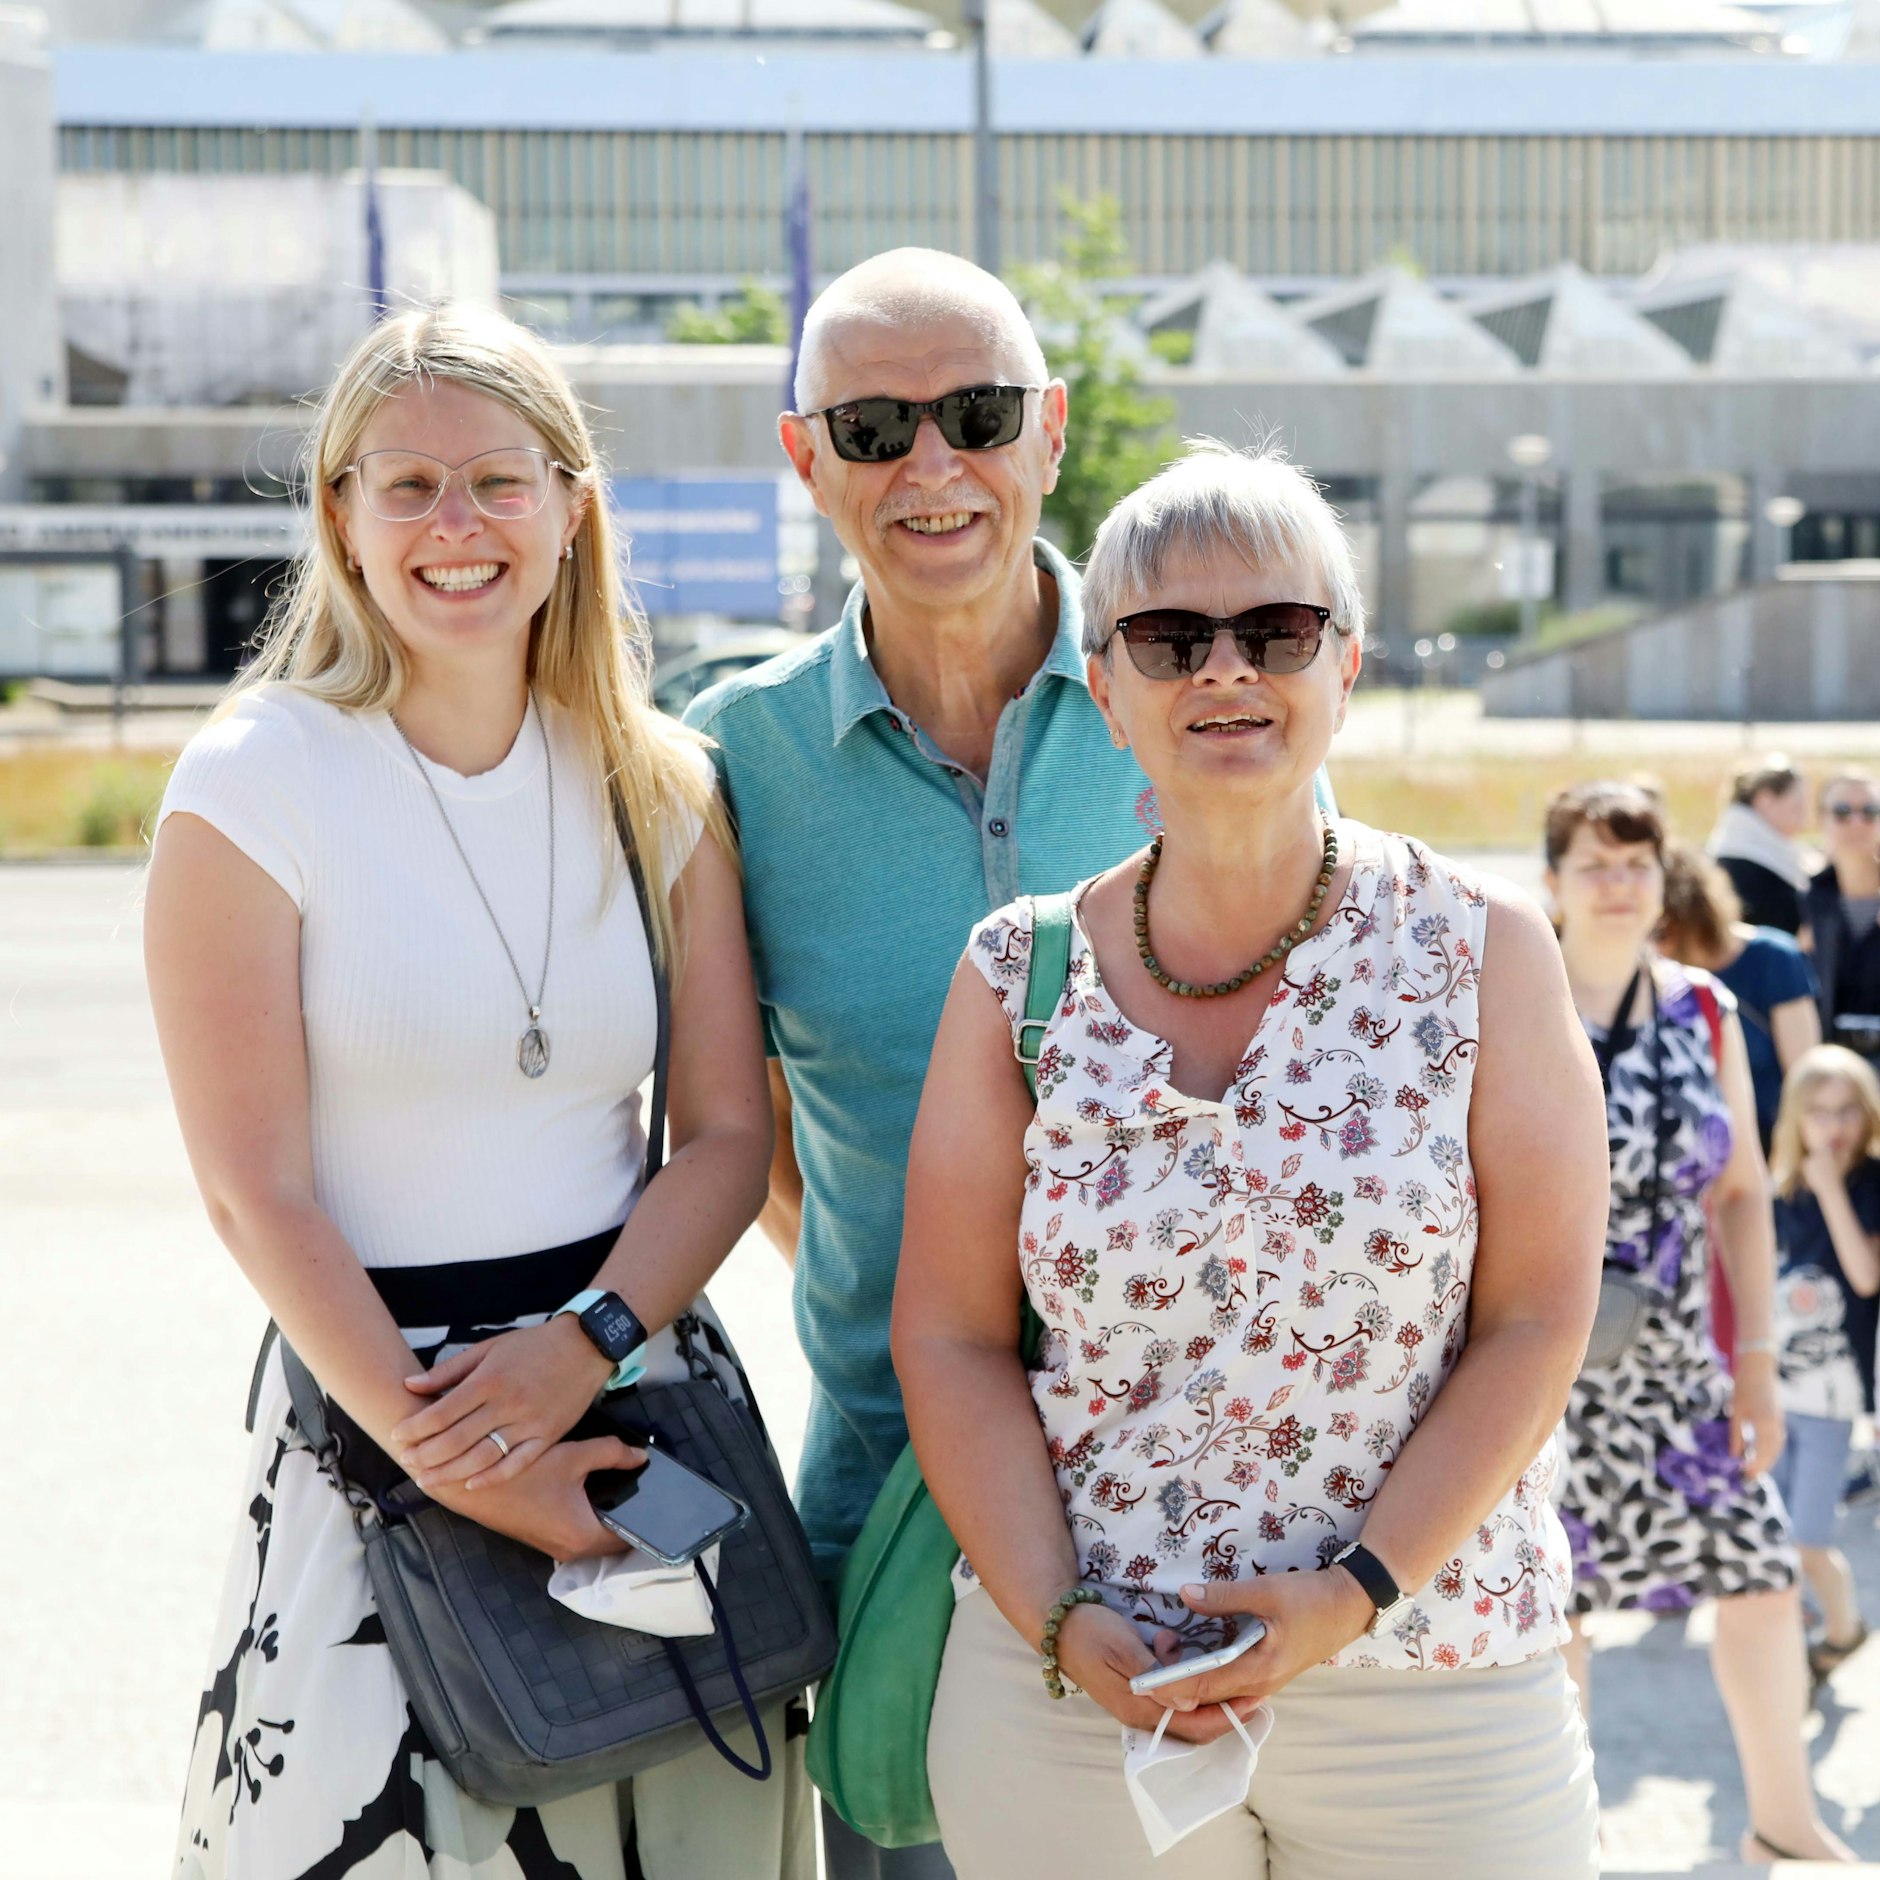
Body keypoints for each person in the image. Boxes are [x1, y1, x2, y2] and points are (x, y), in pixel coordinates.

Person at [685, 251, 1328, 1879]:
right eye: (874, 426)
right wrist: (932, 1305)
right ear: (804, 456)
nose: (929, 466)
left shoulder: (1206, 682)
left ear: (1046, 433)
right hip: (900, 1515)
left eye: (973, 414)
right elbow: (732, 1125)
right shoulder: (727, 764)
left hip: (1238, 1505)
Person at [147, 307, 806, 1878]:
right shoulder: (250, 784)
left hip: (636, 1382)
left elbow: (726, 1136)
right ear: (342, 516)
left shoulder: (667, 784)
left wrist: (587, 1348)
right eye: (408, 485)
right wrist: (466, 1466)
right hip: (381, 1410)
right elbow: (258, 1193)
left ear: (574, 508)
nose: (457, 527)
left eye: (500, 483)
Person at [895, 441, 1607, 1879]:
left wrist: (1354, 1593)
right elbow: (953, 1337)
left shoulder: (1486, 950)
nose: (1226, 670)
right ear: (1104, 689)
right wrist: (1051, 1618)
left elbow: (1536, 1321)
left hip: (1436, 1674)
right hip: (1086, 1691)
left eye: (1277, 631)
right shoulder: (1014, 975)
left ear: (1344, 669)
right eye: (1169, 638)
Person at [1547, 781, 1853, 1866]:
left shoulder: (1700, 1008)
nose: (1617, 883)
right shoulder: (1512, 1002)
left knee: (1762, 1578)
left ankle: (1784, 1826)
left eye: (1636, 861)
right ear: (1552, 880)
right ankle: (1560, 1843)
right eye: (1593, 861)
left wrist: (1755, 1361)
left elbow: (1734, 1192)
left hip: (1678, 1358)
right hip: (1542, 1367)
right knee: (1556, 1611)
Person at [1767, 1045, 1880, 1686]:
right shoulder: (1782, 1190)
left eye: (1847, 1112)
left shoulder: (1866, 1184)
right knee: (1774, 1536)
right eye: (1819, 1113)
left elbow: (1864, 1277)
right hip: (1778, 1395)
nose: (1834, 1127)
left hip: (1834, 1403)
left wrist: (1832, 1185)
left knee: (1808, 1539)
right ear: (1795, 1119)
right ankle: (1802, 1637)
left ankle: (1844, 1629)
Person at [1657, 842, 1820, 1153]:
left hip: (1772, 1147)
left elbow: (1805, 1080)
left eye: (1663, 931)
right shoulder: (1656, 976)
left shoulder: (1775, 958)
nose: (1657, 946)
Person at [1803, 769, 1880, 1064]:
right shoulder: (1802, 899)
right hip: (1827, 1068)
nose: (1857, 822)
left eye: (1870, 811)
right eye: (1842, 812)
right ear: (1821, 819)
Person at [1710, 756, 1811, 935]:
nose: (1804, 821)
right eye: (1797, 808)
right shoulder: (1747, 867)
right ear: (1765, 800)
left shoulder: (1732, 848)